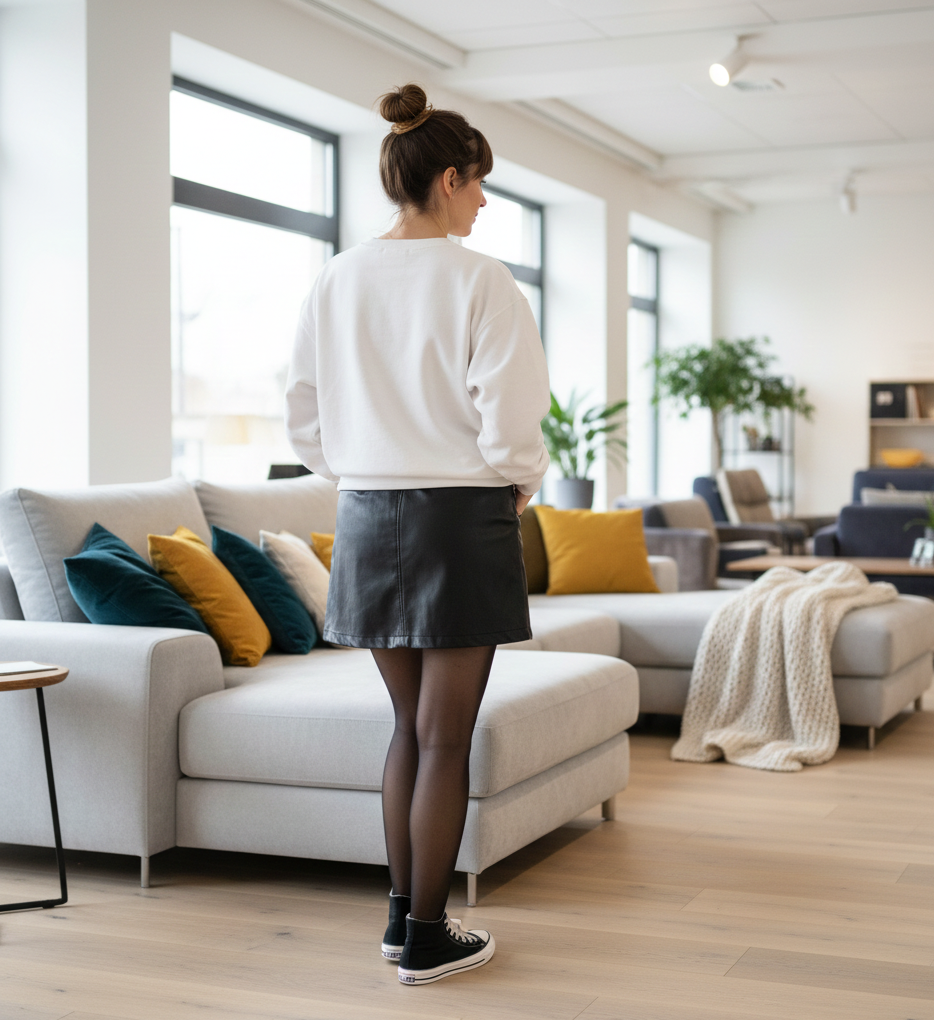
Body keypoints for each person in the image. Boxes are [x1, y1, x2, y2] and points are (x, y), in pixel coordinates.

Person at [285, 82, 550, 986]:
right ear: (446, 179)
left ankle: (404, 916)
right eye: (478, 184)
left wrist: (364, 472)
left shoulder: (337, 274)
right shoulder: (480, 280)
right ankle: (429, 935)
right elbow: (511, 420)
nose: (483, 202)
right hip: (457, 516)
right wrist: (515, 485)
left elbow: (304, 416)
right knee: (446, 736)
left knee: (409, 727)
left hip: (365, 517)